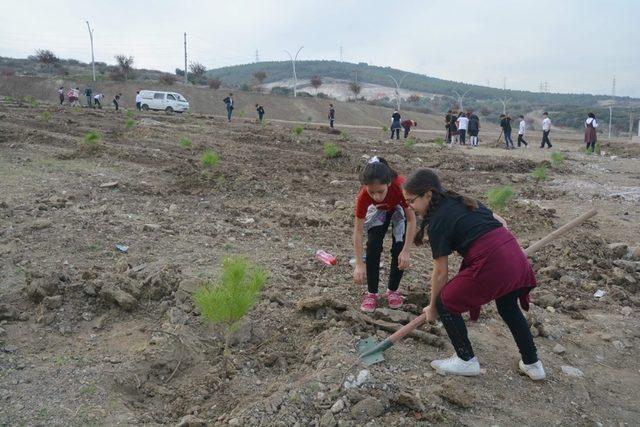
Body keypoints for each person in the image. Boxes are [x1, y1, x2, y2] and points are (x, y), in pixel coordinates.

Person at [402, 168, 545, 380]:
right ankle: (533, 365)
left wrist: (433, 308)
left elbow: (440, 273)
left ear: (428, 194)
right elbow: (502, 222)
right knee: (508, 307)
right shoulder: (462, 200)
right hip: (514, 256)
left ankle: (465, 360)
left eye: (411, 201)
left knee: (446, 301)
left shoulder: (439, 220)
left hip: (493, 262)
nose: (410, 207)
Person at [353, 156, 416, 312]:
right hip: (379, 209)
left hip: (397, 207)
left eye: (380, 191)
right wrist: (359, 264)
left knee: (398, 247)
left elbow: (411, 219)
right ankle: (371, 293)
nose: (376, 196)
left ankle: (393, 290)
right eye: (372, 192)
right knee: (373, 245)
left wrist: (406, 251)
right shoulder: (364, 195)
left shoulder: (400, 187)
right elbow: (358, 231)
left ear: (388, 183)